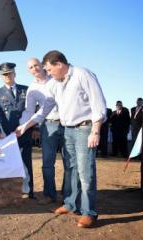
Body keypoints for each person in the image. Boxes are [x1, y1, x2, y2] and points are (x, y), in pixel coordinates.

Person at [16, 50, 107, 228]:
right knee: (71, 169)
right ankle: (71, 204)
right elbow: (44, 109)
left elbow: (98, 103)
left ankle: (89, 212)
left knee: (85, 171)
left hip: (84, 129)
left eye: (49, 70)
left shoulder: (82, 74)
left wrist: (95, 131)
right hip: (67, 130)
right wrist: (25, 126)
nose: (47, 73)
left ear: (59, 64)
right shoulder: (55, 84)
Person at [20, 58, 63, 204]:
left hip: (68, 123)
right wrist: (21, 125)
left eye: (36, 65)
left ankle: (68, 194)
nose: (34, 69)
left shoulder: (57, 77)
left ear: (42, 65)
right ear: (29, 71)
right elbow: (29, 111)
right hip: (48, 125)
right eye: (31, 67)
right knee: (47, 162)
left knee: (70, 161)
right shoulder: (32, 89)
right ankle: (50, 195)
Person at [0, 62, 34, 199]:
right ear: (1, 77)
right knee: (9, 163)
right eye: (4, 74)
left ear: (14, 73)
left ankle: (28, 190)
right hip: (7, 135)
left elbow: (32, 111)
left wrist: (35, 127)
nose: (7, 76)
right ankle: (10, 191)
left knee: (26, 162)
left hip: (25, 132)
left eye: (9, 73)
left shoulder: (26, 90)